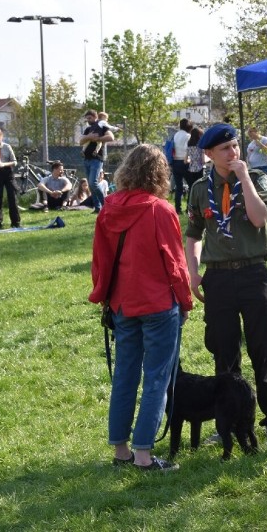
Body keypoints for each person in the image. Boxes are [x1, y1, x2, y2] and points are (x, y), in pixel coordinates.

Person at [89, 143, 192, 471]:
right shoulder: (160, 209)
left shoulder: (109, 208)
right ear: (160, 174)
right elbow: (175, 263)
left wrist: (104, 296)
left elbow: (100, 261)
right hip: (159, 304)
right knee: (157, 378)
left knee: (125, 376)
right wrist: (186, 302)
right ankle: (144, 454)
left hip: (123, 304)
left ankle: (121, 450)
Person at [185, 123, 267, 438]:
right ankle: (228, 421)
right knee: (223, 350)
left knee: (263, 345)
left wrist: (243, 177)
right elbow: (193, 234)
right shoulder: (200, 189)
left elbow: (259, 218)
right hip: (217, 277)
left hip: (253, 272)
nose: (233, 152)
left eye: (235, 146)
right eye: (225, 149)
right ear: (209, 154)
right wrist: (192, 272)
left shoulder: (256, 180)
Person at [79, 109, 115, 213]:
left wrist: (98, 139)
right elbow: (81, 141)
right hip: (86, 159)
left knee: (93, 183)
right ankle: (97, 208)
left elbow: (111, 137)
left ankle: (106, 205)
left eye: (89, 118)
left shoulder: (102, 126)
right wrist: (89, 137)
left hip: (96, 159)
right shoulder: (88, 129)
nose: (88, 120)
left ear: (95, 117)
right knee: (90, 185)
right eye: (87, 118)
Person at [171, 118, 192, 214]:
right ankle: (188, 208)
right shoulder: (188, 135)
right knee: (191, 185)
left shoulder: (176, 135)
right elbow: (186, 149)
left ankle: (177, 209)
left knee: (178, 187)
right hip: (184, 162)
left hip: (175, 162)